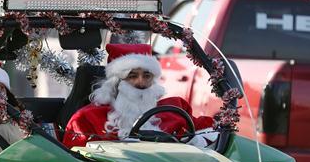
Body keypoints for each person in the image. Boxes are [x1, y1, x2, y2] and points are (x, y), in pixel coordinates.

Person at [63, 43, 213, 148]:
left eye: (147, 76)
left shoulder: (174, 110)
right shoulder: (87, 118)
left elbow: (213, 133)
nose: (141, 83)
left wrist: (198, 142)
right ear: (116, 81)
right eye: (132, 76)